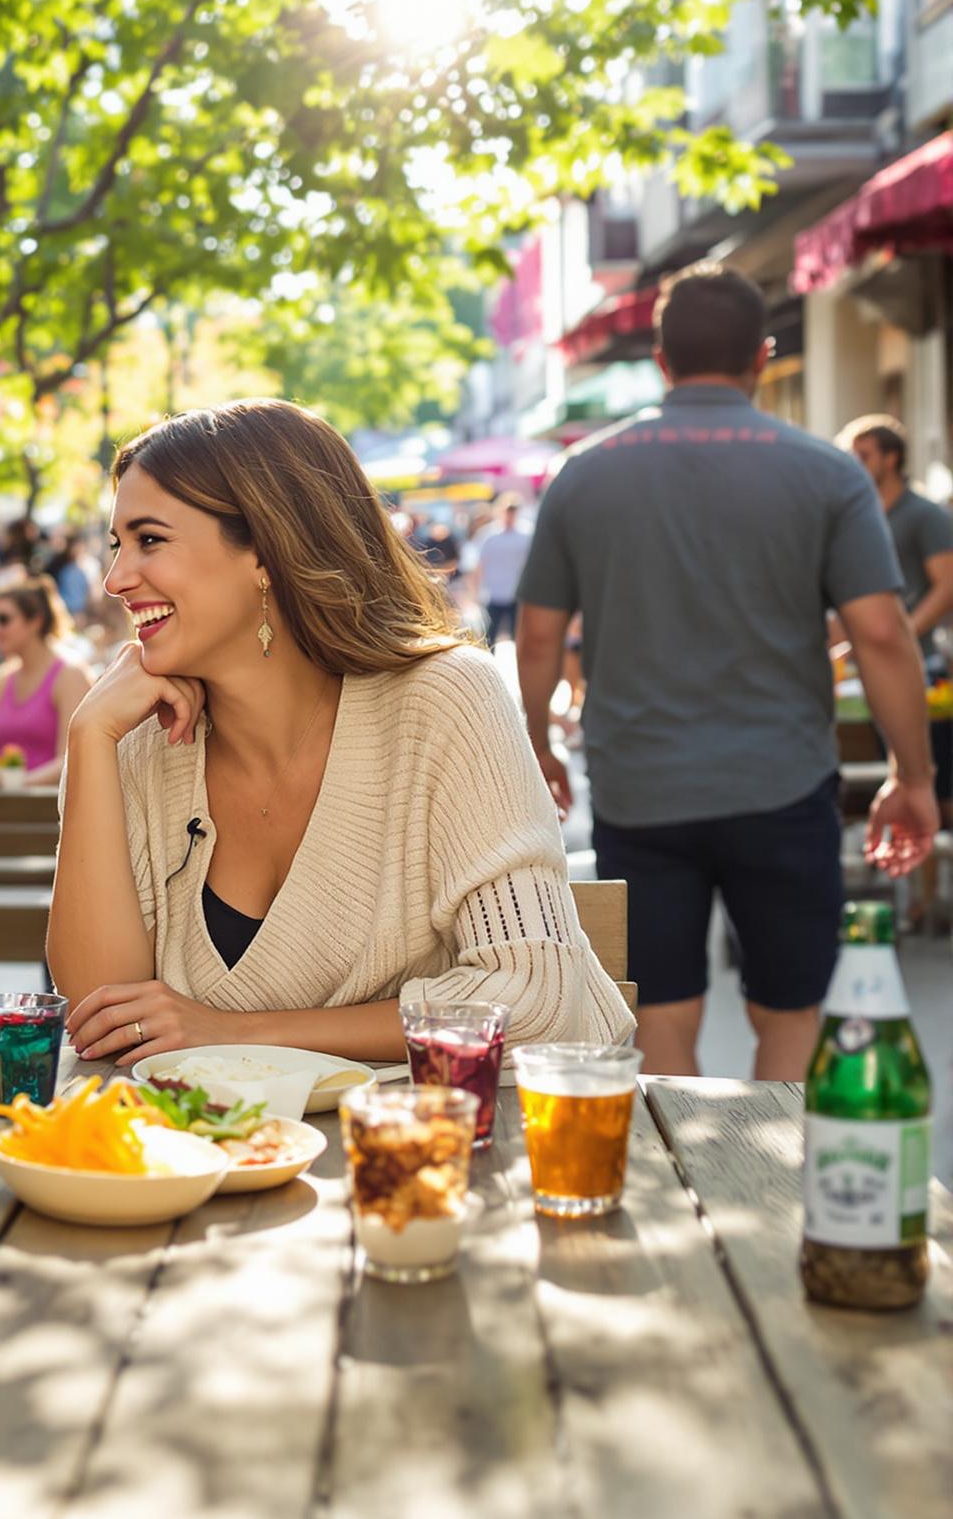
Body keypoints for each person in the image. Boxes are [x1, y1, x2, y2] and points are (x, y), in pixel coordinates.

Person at [48, 399, 628, 1065]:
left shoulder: (446, 700)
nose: (116, 580)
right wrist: (90, 739)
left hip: (448, 1150)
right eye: (118, 544)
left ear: (264, 551)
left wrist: (237, 1033)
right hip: (208, 1160)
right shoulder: (129, 737)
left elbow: (534, 998)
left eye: (150, 540)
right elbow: (104, 1014)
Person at [518, 263, 936, 1080]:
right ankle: (778, 1184)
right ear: (764, 355)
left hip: (641, 789)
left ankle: (689, 1184)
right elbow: (882, 635)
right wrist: (910, 775)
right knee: (790, 1006)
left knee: (661, 1006)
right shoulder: (830, 473)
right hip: (781, 784)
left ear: (662, 360)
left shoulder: (587, 473)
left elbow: (537, 638)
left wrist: (537, 745)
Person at [839, 413, 953, 834]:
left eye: (865, 454)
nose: (856, 460)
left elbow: (947, 585)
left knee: (935, 784)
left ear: (892, 458)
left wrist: (904, 631)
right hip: (870, 663)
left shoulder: (924, 514)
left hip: (922, 666)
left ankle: (933, 895)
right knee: (891, 775)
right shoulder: (859, 513)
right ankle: (914, 891)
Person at [0, 574, 90, 786]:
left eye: (4, 619)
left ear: (35, 621)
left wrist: (18, 786)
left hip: (51, 810)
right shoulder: (6, 678)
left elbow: (72, 760)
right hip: (7, 807)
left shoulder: (70, 674)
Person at [469, 496, 533, 644]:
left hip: (517, 594)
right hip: (493, 594)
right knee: (489, 637)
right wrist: (475, 592)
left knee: (519, 637)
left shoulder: (527, 534)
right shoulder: (488, 535)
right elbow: (478, 566)